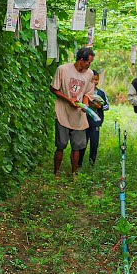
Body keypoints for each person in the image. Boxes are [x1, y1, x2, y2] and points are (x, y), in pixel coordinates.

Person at [50, 47, 96, 178]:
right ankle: (56, 173)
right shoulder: (63, 69)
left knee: (77, 146)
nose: (89, 65)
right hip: (63, 112)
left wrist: (85, 105)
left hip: (78, 115)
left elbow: (88, 93)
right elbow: (53, 88)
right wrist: (68, 99)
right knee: (61, 145)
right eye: (88, 62)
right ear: (81, 60)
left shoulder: (89, 74)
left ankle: (74, 173)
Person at [85, 69, 110, 165]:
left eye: (96, 80)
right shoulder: (84, 92)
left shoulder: (101, 93)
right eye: (92, 80)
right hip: (84, 121)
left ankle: (92, 164)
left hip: (96, 122)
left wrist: (100, 107)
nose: (94, 82)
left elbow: (107, 106)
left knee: (94, 144)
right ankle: (79, 163)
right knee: (82, 144)